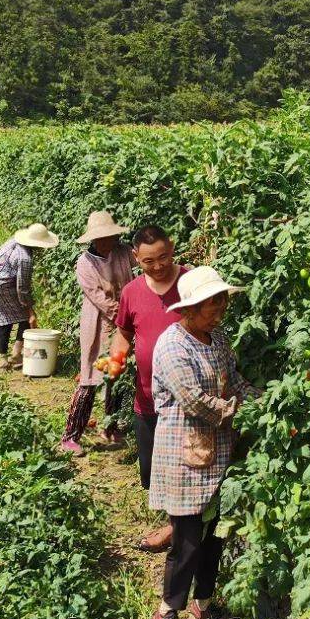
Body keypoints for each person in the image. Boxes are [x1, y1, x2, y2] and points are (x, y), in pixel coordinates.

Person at [149, 266, 257, 619]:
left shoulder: (219, 338)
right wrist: (238, 411)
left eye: (222, 305)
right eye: (213, 307)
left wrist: (266, 403)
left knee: (214, 536)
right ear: (189, 309)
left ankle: (203, 603)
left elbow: (236, 382)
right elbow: (195, 401)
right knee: (188, 541)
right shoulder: (172, 345)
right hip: (184, 457)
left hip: (219, 453)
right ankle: (167, 610)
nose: (219, 314)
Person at [111, 225, 189, 552]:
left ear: (172, 248)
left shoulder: (190, 282)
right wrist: (115, 359)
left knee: (182, 470)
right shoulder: (131, 292)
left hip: (185, 403)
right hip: (146, 400)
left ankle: (175, 530)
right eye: (148, 261)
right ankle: (173, 523)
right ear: (135, 257)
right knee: (150, 470)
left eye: (163, 257)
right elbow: (124, 332)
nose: (157, 266)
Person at [60, 211, 135, 456]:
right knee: (90, 379)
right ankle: (70, 436)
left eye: (110, 236)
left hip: (123, 325)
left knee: (117, 376)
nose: (107, 241)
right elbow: (101, 300)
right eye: (101, 238)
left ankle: (110, 428)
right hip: (98, 325)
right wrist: (129, 319)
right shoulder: (85, 263)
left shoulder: (124, 252)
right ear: (92, 239)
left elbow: (145, 262)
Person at [0, 223, 59, 369]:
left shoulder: (13, 241)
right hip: (3, 288)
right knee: (27, 318)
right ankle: (15, 356)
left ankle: (2, 358)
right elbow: (22, 288)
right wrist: (30, 311)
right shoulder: (25, 258)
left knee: (1, 322)